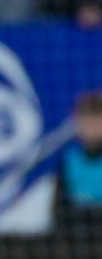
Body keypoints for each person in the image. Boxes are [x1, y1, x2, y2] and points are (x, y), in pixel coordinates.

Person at [54, 90, 102, 233]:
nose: (91, 127)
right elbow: (59, 209)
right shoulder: (69, 161)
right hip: (77, 239)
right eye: (87, 120)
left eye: (97, 121)